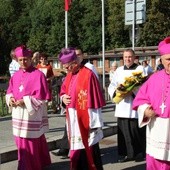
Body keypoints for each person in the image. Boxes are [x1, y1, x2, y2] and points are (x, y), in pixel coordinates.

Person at [59, 47, 105, 170]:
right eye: (64, 66)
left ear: (75, 62)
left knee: (89, 150)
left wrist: (94, 124)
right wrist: (63, 98)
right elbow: (63, 91)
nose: (66, 69)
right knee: (76, 150)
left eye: (67, 66)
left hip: (87, 120)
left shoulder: (88, 75)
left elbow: (94, 101)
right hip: (73, 119)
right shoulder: (69, 75)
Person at [5, 45, 51, 170]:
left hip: (31, 115)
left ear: (30, 59)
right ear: (17, 60)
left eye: (26, 59)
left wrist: (24, 101)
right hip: (18, 114)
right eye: (20, 60)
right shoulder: (15, 76)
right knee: (20, 143)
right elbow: (9, 91)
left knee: (31, 143)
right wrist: (11, 99)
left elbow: (42, 98)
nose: (23, 62)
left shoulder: (38, 75)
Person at [133, 36, 170, 169]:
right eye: (168, 59)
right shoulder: (154, 78)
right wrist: (145, 110)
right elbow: (141, 100)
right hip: (156, 131)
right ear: (161, 60)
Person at [108, 49, 146, 163]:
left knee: (135, 130)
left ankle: (139, 153)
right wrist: (118, 92)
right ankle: (128, 154)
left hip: (134, 104)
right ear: (123, 58)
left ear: (134, 57)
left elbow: (144, 86)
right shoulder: (119, 70)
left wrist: (132, 91)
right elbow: (112, 85)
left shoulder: (140, 69)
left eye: (130, 57)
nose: (127, 59)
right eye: (125, 57)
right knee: (124, 131)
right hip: (122, 105)